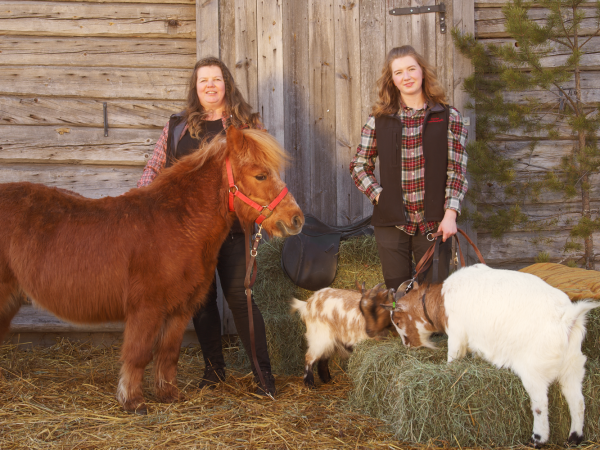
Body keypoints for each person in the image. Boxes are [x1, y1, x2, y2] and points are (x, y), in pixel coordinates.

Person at [137, 56, 276, 396]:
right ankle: (214, 371)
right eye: (203, 81)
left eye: (216, 79)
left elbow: (265, 173)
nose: (210, 85)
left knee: (240, 299)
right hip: (185, 236)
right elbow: (154, 170)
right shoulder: (178, 127)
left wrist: (266, 212)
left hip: (233, 230)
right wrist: (138, 210)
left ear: (226, 84)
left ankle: (264, 377)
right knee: (199, 303)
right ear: (195, 88)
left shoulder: (247, 123)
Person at [349, 45, 468, 291]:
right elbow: (359, 165)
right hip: (392, 225)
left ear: (422, 72)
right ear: (392, 80)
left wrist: (450, 214)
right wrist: (380, 196)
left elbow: (457, 171)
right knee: (398, 295)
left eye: (411, 69)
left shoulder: (448, 117)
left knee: (432, 297)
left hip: (434, 224)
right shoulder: (378, 120)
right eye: (399, 72)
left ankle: (434, 332)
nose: (407, 77)